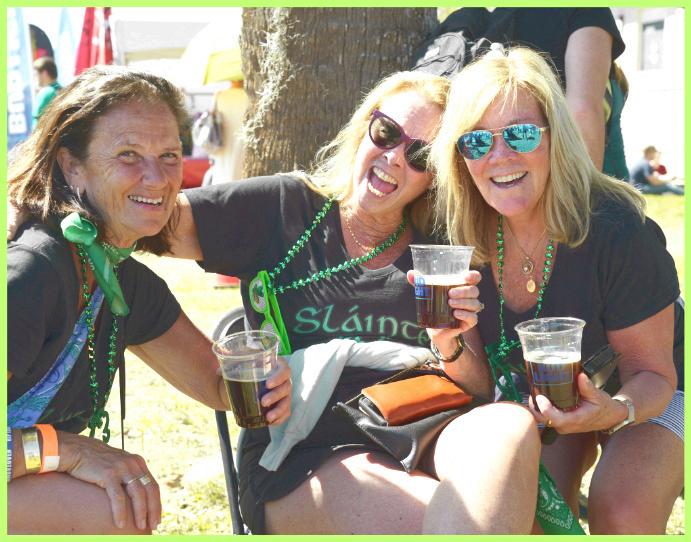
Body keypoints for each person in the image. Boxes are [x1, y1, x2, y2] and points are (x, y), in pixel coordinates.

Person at [167, 71, 542, 534]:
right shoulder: (285, 208)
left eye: (420, 155)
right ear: (364, 126)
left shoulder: (440, 250)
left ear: (436, 176)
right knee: (457, 519)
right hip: (310, 446)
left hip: (425, 425)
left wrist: (450, 342)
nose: (395, 157)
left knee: (509, 427)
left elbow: (478, 390)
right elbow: (149, 223)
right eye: (387, 132)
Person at [7, 66, 291, 535]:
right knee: (108, 512)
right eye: (128, 155)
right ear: (71, 165)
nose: (157, 178)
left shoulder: (120, 280)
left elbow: (216, 384)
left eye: (169, 155)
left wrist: (267, 380)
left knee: (120, 503)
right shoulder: (30, 273)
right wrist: (67, 449)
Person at [431, 46, 683, 534]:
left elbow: (653, 373)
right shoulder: (460, 236)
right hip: (550, 398)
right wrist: (449, 341)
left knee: (623, 511)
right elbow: (478, 386)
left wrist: (614, 411)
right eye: (477, 141)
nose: (500, 156)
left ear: (555, 137)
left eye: (521, 134)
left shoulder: (616, 229)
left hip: (653, 386)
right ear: (460, 158)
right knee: (534, 511)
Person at [31, 56, 62, 129]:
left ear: (44, 73)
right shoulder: (63, 90)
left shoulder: (45, 93)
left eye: (35, 74)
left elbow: (37, 122)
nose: (34, 78)